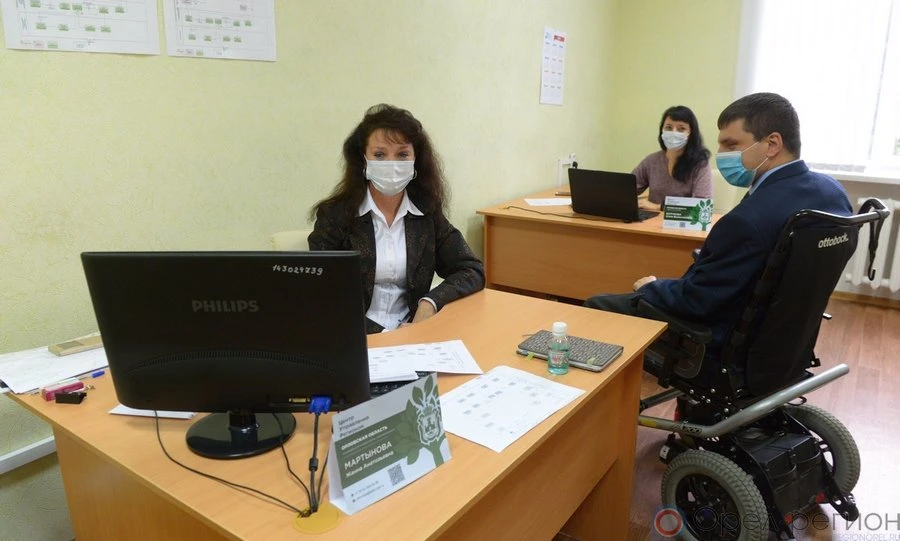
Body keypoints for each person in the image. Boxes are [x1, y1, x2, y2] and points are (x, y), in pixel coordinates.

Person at [585, 93, 852, 377]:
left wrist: (652, 287)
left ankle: (610, 397)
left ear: (772, 144)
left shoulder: (746, 221)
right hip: (784, 344)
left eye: (731, 144)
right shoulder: (833, 193)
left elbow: (696, 300)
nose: (722, 153)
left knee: (597, 304)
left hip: (725, 349)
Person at [308, 104, 485, 334]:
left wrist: (429, 303)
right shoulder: (336, 215)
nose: (391, 164)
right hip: (354, 335)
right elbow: (322, 291)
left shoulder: (426, 213)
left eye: (402, 154)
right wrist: (385, 335)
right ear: (363, 159)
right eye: (379, 155)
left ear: (415, 160)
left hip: (413, 331)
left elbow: (471, 269)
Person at [633, 105, 713, 211]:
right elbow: (626, 190)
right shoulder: (651, 161)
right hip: (651, 220)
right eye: (669, 128)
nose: (674, 133)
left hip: (682, 221)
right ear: (662, 130)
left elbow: (703, 206)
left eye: (681, 129)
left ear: (691, 133)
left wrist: (658, 207)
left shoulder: (700, 165)